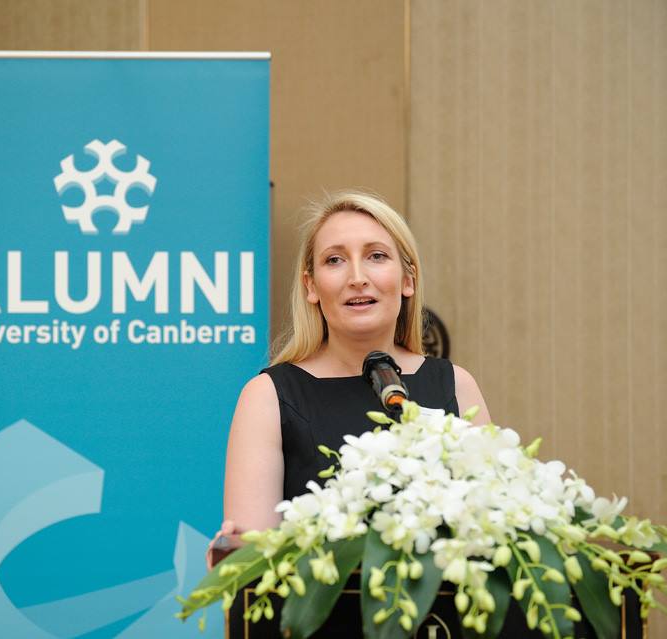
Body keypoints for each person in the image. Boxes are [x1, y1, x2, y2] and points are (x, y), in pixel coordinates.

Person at [206, 190, 490, 567]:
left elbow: (493, 528)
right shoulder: (268, 396)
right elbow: (251, 567)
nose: (357, 278)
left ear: (408, 279)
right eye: (335, 260)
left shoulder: (455, 385)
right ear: (311, 286)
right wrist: (233, 562)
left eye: (376, 256)